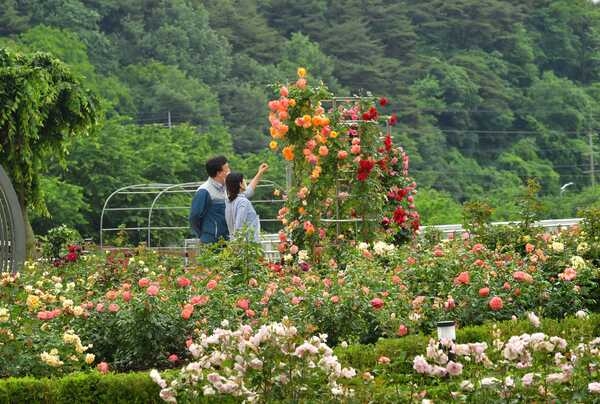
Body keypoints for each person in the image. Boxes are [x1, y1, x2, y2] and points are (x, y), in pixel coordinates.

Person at [189, 156, 230, 243]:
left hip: (227, 239)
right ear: (219, 173)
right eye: (227, 169)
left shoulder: (226, 188)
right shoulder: (204, 191)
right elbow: (194, 216)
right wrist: (204, 235)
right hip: (212, 241)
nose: (229, 171)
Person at [225, 163, 269, 242]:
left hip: (237, 244)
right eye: (243, 180)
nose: (246, 183)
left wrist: (260, 172)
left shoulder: (229, 201)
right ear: (240, 184)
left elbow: (249, 189)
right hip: (247, 247)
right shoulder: (243, 202)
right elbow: (239, 226)